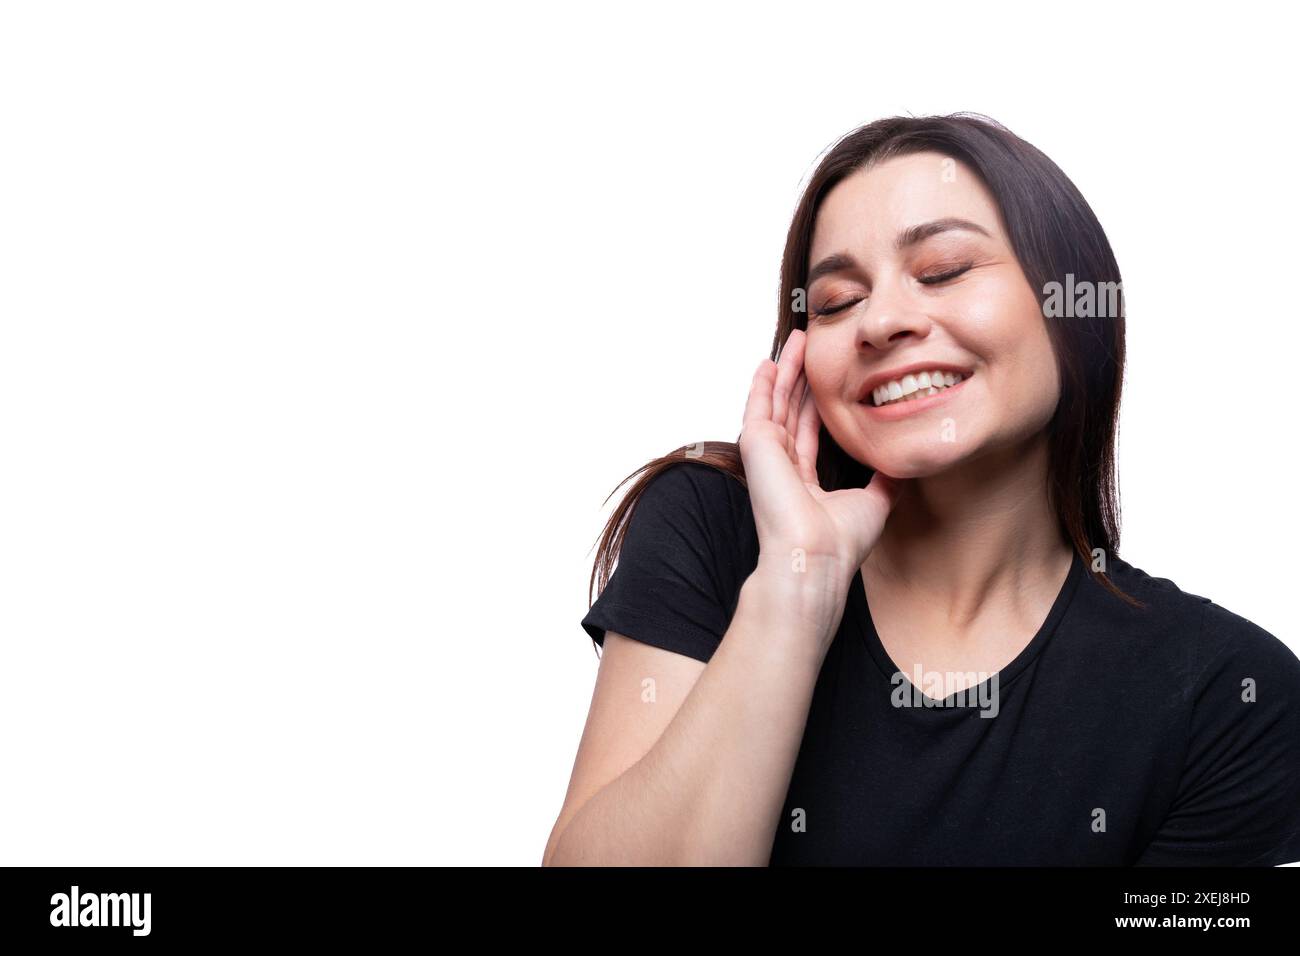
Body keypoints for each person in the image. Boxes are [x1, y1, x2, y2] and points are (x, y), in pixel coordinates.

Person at [542, 114, 1300, 866]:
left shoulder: (1229, 692)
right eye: (836, 301)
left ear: (1073, 304)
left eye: (942, 271)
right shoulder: (712, 528)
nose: (881, 321)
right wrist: (793, 591)